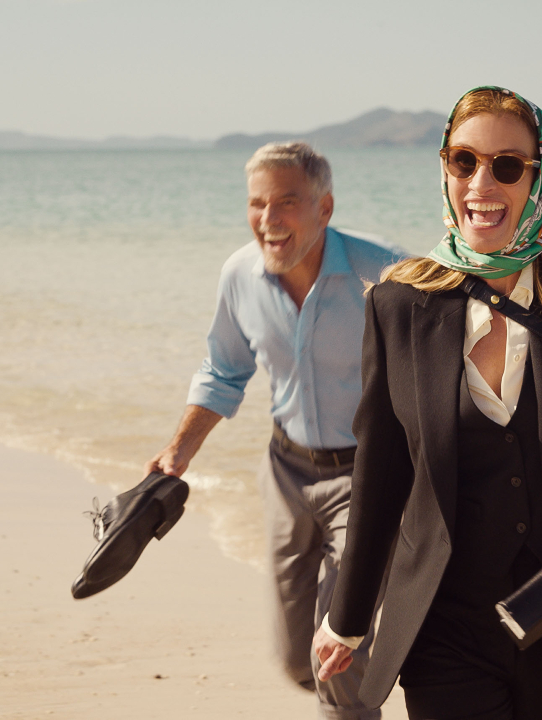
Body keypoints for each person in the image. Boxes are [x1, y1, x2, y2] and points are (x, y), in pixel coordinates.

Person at [311, 86, 542, 720]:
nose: (483, 182)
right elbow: (383, 471)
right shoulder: (399, 304)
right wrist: (347, 616)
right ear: (445, 168)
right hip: (444, 628)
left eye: (509, 165)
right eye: (463, 161)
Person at [145, 142, 405, 719]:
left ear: (325, 207)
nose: (269, 218)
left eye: (287, 201)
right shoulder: (239, 275)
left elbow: (445, 369)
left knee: (335, 656)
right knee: (296, 659)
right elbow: (223, 369)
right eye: (258, 203)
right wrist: (179, 449)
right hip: (285, 473)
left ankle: (356, 687)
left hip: (367, 480)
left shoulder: (384, 276)